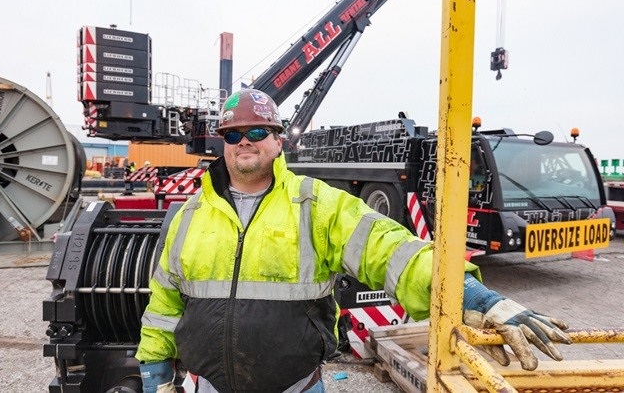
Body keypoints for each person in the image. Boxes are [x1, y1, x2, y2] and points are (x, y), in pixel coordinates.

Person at [136, 89, 571, 393]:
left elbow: (392, 249)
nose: (244, 142)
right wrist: (157, 374)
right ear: (222, 142)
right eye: (234, 134)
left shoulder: (317, 205)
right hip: (206, 388)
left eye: (257, 132)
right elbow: (164, 305)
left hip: (295, 387)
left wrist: (475, 296)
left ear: (278, 138)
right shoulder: (189, 217)